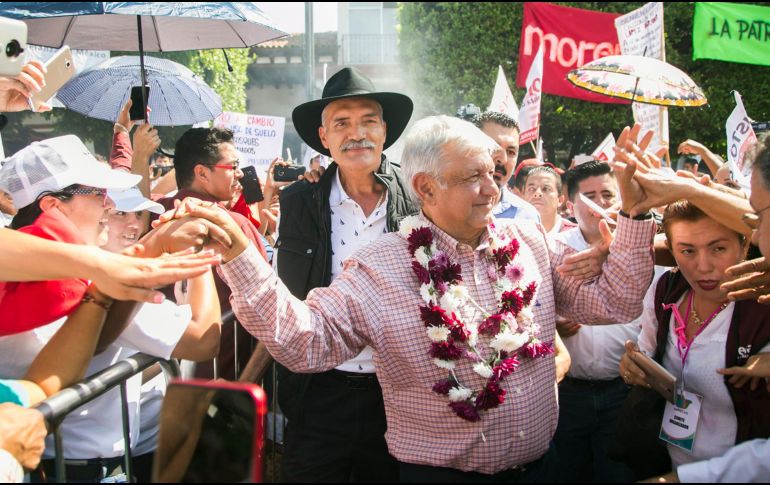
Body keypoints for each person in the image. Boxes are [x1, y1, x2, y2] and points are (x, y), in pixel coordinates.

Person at [162, 115, 656, 481]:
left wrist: (634, 214)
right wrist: (237, 253)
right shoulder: (381, 267)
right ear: (426, 188)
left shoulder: (529, 242)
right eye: (472, 178)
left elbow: (617, 302)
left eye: (495, 174)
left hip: (541, 468)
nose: (491, 191)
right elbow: (303, 341)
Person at [274, 66, 416, 482]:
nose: (356, 134)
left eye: (368, 121)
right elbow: (288, 294)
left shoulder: (419, 197)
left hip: (398, 391)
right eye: (342, 123)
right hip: (319, 391)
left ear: (385, 131)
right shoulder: (300, 200)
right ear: (324, 138)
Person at [619, 199, 770, 481]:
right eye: (687, 250)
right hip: (667, 463)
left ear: (746, 243)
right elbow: (645, 352)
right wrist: (633, 366)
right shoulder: (666, 289)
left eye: (718, 248)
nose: (703, 266)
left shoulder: (762, 306)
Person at [550, 160, 643, 482]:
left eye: (607, 194)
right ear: (569, 203)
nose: (601, 204)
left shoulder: (644, 248)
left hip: (625, 393)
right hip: (568, 394)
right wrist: (554, 324)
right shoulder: (551, 251)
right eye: (589, 196)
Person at [157, 127, 268, 380]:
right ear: (201, 173)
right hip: (223, 378)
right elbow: (268, 304)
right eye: (233, 166)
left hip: (163, 378)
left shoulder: (153, 214)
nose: (240, 174)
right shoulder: (234, 225)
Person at [472, 111, 540, 222]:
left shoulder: (527, 217)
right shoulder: (444, 206)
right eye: (493, 147)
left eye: (511, 152)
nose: (503, 159)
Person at [521, 165, 576, 235]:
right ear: (522, 197)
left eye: (546, 189)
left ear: (560, 200)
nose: (537, 193)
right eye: (531, 189)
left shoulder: (576, 236)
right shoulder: (511, 233)